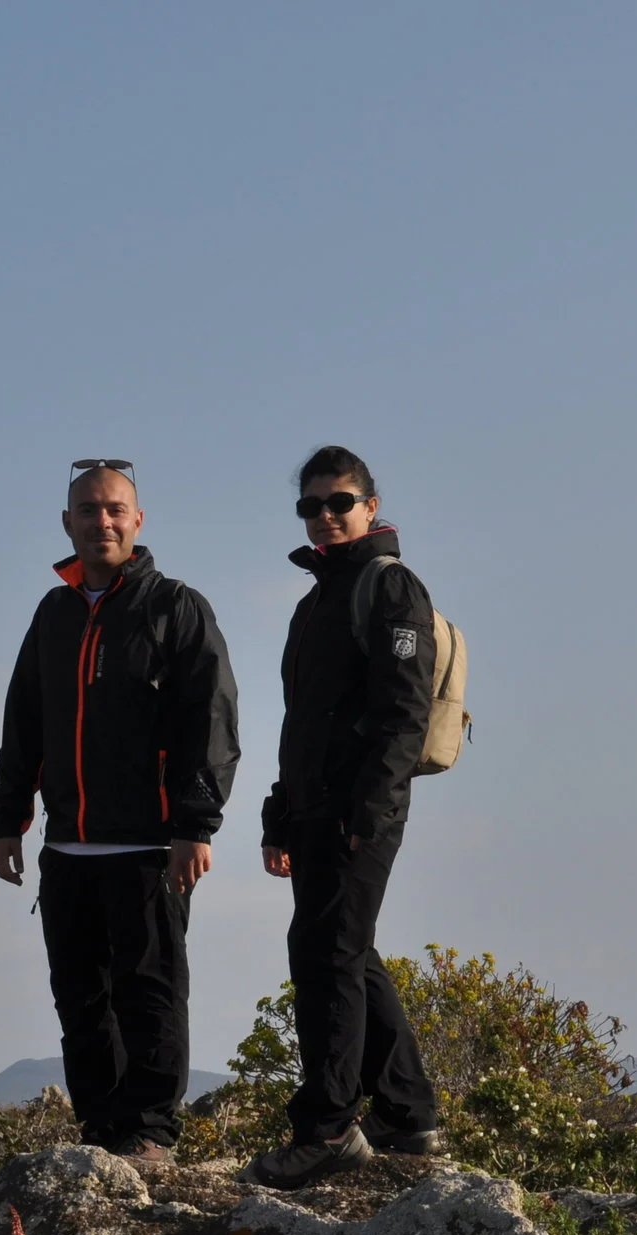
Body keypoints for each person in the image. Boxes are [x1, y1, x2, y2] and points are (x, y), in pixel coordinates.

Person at [0, 460, 240, 1167]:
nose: (102, 521)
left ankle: (153, 1133)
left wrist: (195, 825)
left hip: (149, 845)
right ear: (67, 522)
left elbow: (211, 722)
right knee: (80, 1002)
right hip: (68, 850)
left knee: (150, 994)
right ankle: (101, 1132)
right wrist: (6, 819)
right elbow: (25, 721)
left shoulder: (175, 608)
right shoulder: (54, 612)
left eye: (115, 510)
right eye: (89, 510)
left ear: (138, 521)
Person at [242, 445, 442, 1190]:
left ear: (372, 506)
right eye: (311, 506)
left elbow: (404, 715)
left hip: (359, 812)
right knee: (348, 952)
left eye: (340, 502)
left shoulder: (391, 590)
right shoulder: (316, 600)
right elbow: (304, 724)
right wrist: (278, 814)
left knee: (325, 955)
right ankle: (408, 1112)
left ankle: (328, 1128)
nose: (325, 517)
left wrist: (373, 809)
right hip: (314, 810)